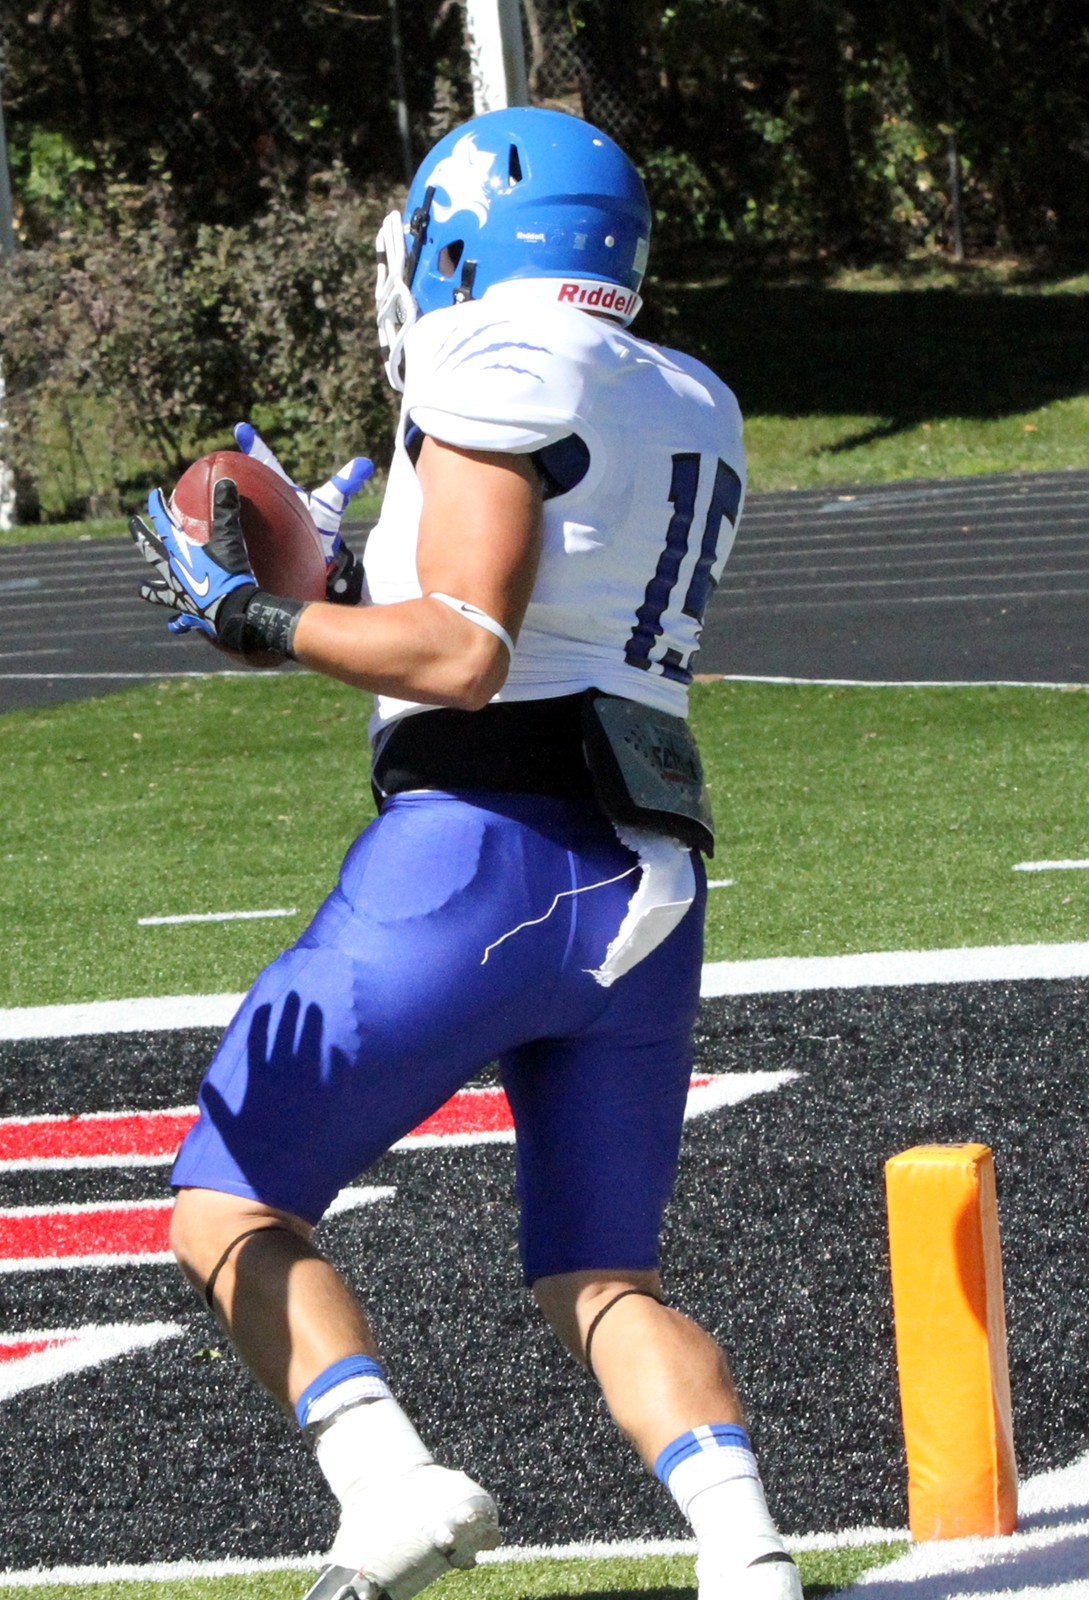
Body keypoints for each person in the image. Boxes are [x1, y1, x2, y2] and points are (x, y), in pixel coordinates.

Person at [131, 107, 802, 1600]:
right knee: (598, 1275)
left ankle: (387, 1490)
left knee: (224, 1199)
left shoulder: (484, 358)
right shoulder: (689, 389)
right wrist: (337, 557)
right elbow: (543, 587)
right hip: (647, 880)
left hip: (479, 854)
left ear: (458, 238)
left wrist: (256, 617)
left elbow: (463, 650)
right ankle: (748, 1555)